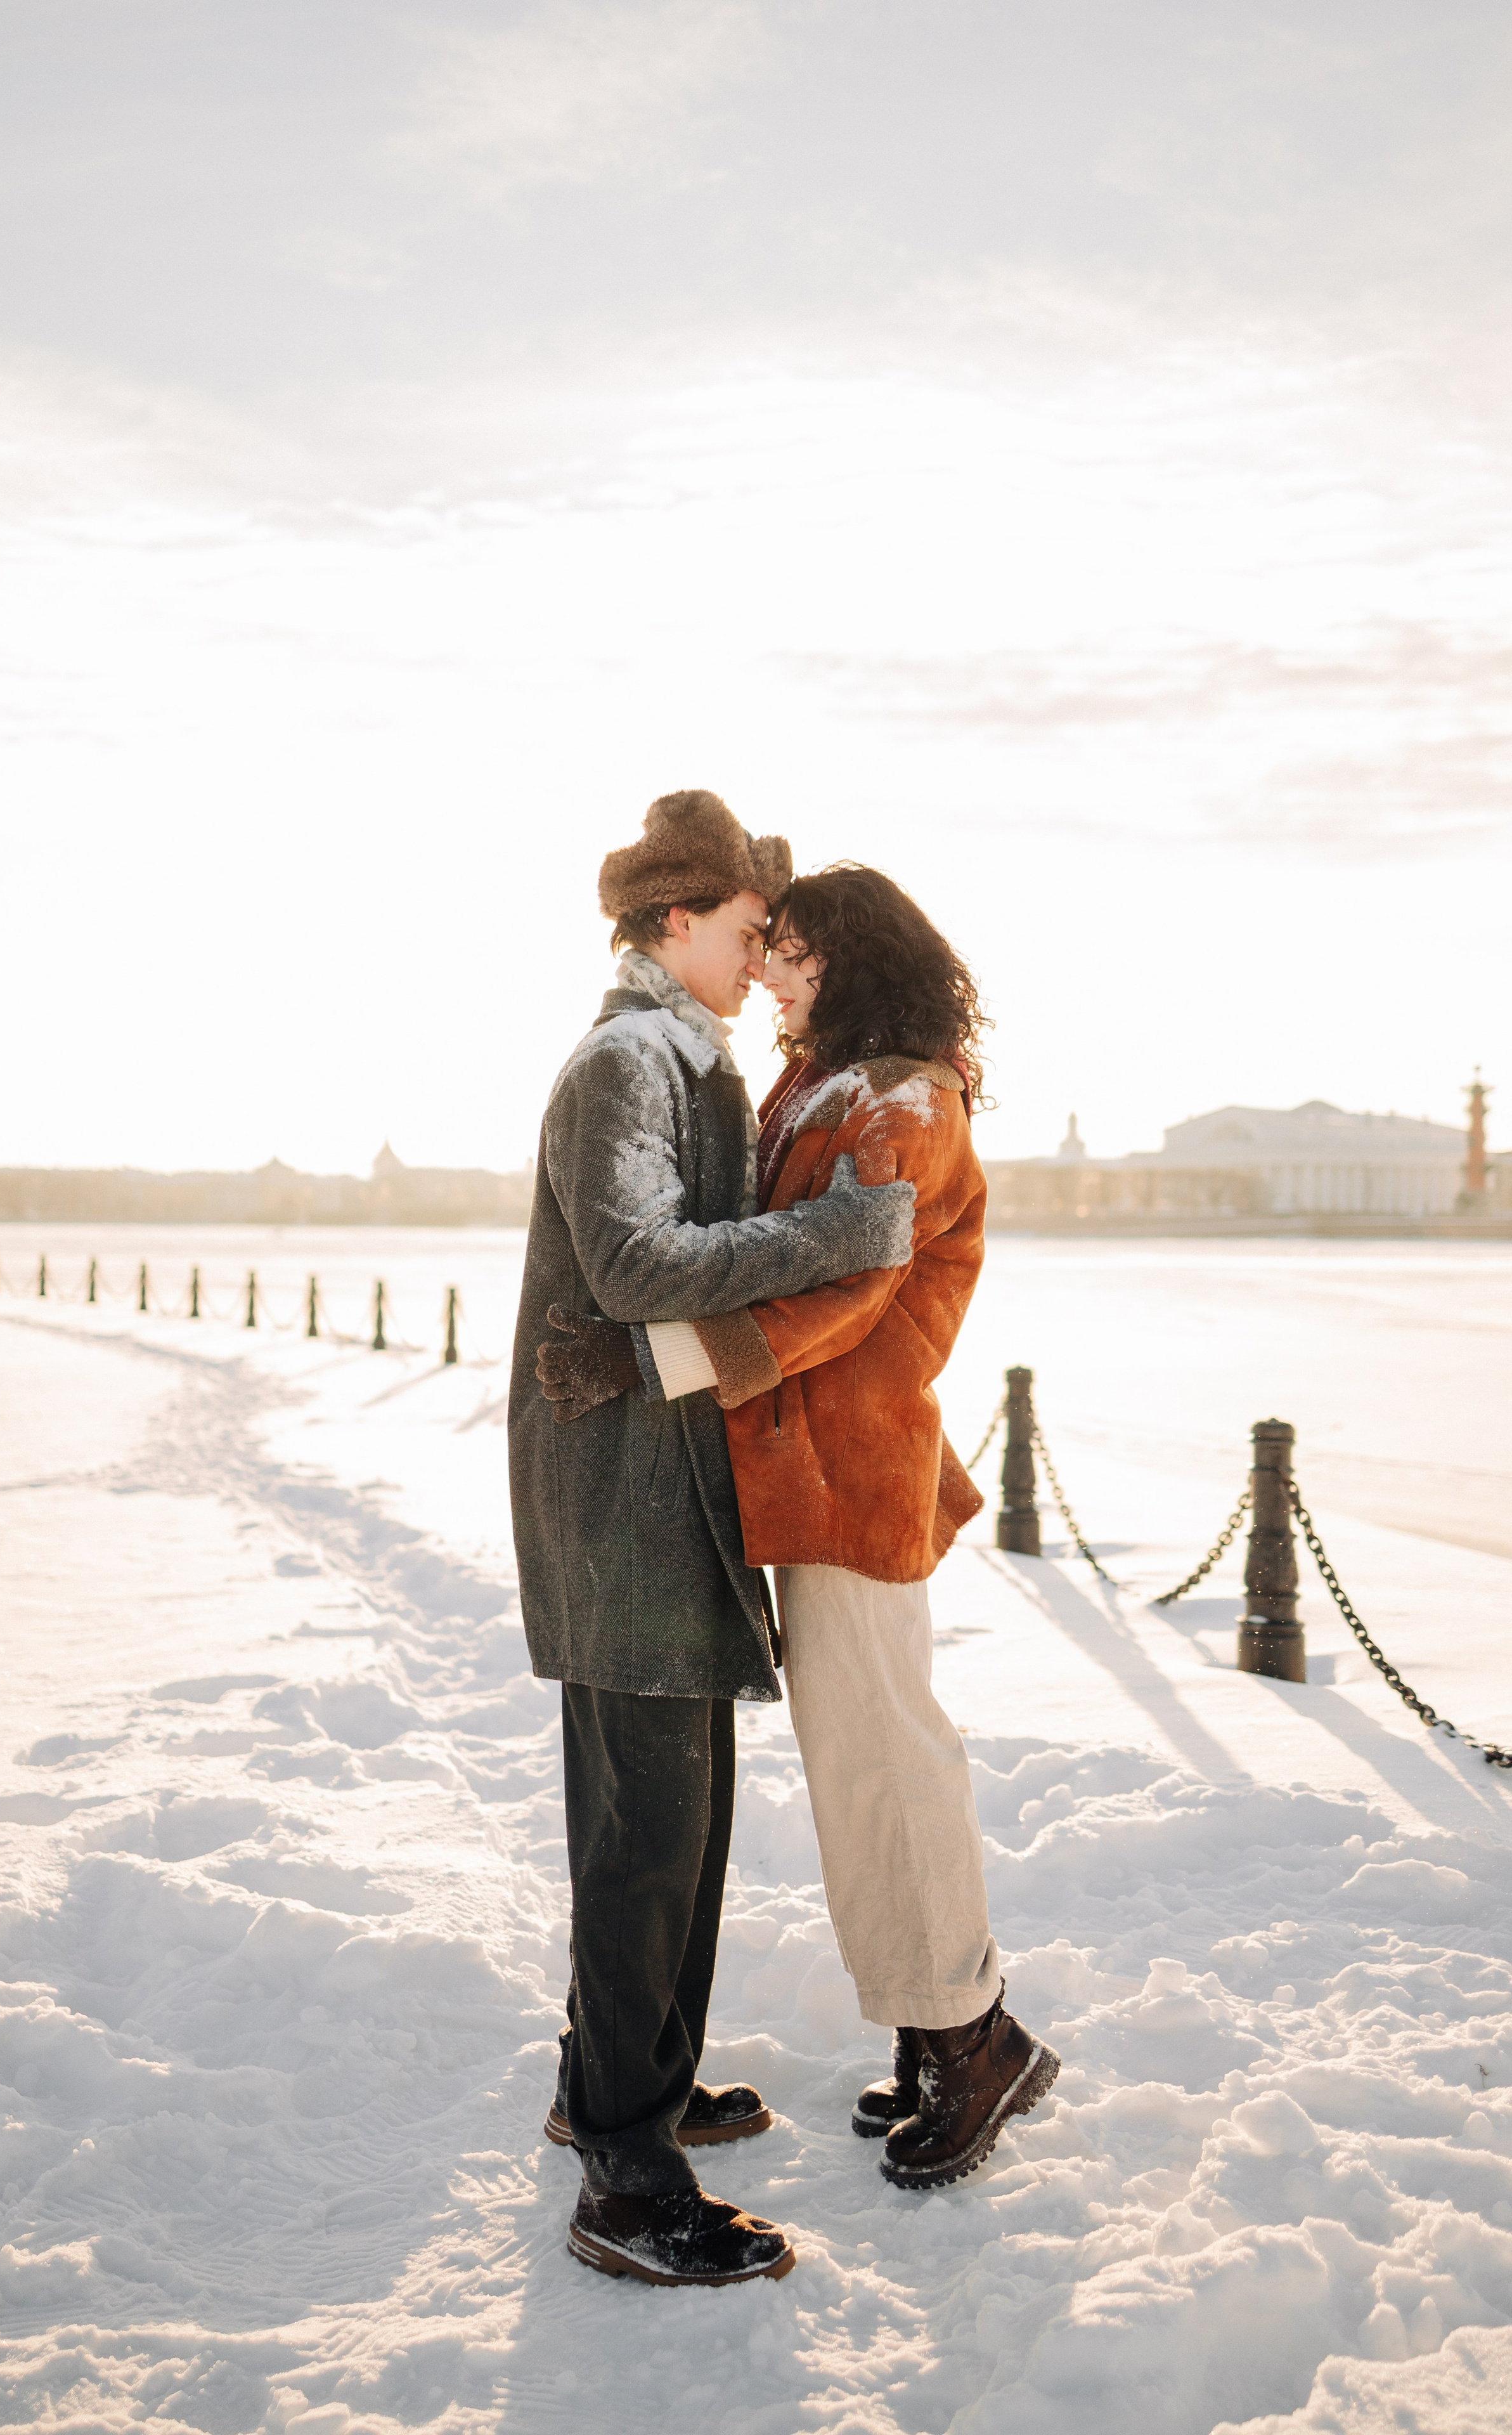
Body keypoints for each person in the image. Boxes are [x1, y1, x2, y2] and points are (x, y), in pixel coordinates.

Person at [540, 863, 1059, 2192]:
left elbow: (847, 1286)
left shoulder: (899, 1099)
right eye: (765, 949)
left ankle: (968, 2038)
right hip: (805, 1475)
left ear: (857, 958)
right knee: (859, 1766)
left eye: (796, 953)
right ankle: (944, 2028)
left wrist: (654, 1362)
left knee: (886, 1762)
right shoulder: (832, 1082)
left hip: (856, 1479)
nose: (769, 972)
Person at [510, 792, 922, 2288]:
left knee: (675, 1823)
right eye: (748, 928)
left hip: (666, 1487)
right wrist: (844, 1230)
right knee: (643, 1836)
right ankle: (625, 2175)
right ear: (673, 922)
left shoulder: (685, 1055)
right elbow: (628, 1264)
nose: (763, 952)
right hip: (621, 1500)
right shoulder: (629, 1061)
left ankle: (624, 2081)